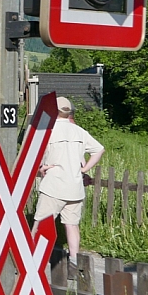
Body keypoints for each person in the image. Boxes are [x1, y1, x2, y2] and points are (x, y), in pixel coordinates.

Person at [36, 96, 104, 271]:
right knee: (72, 225)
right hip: (75, 187)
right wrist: (84, 169)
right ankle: (74, 261)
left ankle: (35, 262)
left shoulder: (48, 130)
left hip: (54, 185)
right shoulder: (79, 131)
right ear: (69, 112)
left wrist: (43, 167)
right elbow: (99, 149)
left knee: (42, 224)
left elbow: (38, 156)